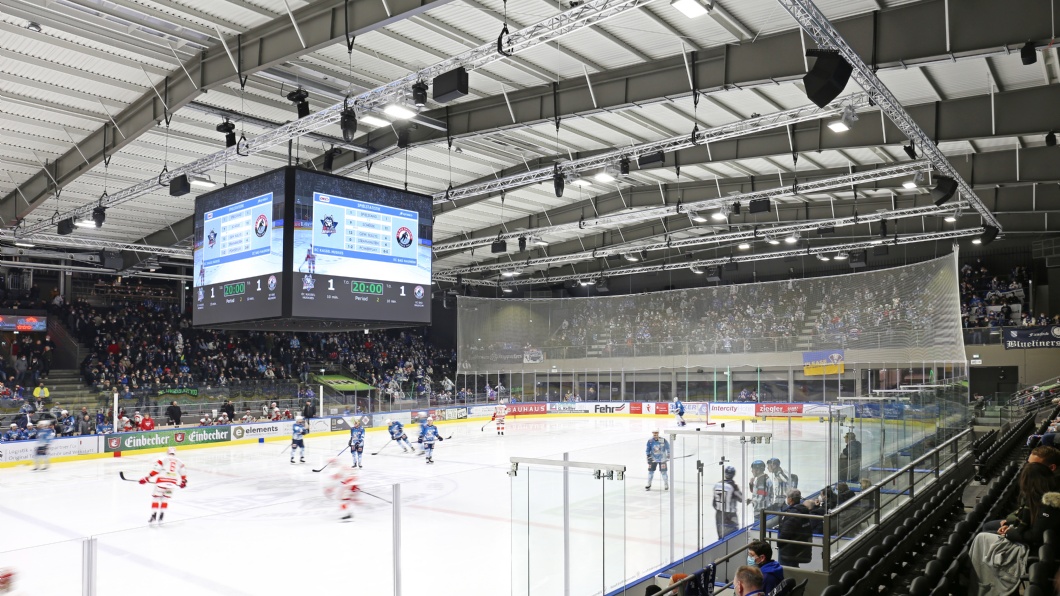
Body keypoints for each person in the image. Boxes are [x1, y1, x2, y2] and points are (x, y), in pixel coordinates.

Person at [967, 463, 1060, 595]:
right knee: (982, 538)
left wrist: (1010, 533)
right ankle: (976, 580)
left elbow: (1035, 535)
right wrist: (1010, 528)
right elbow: (1029, 525)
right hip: (1029, 544)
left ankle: (979, 584)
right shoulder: (1040, 499)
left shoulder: (1048, 505)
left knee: (981, 538)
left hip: (1031, 549)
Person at [139, 446, 187, 524]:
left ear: (168, 452)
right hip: (172, 484)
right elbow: (183, 474)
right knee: (165, 499)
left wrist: (146, 478)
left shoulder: (163, 459)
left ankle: (154, 514)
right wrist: (183, 482)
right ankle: (161, 515)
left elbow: (155, 471)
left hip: (161, 482)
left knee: (156, 498)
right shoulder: (180, 462)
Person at [777, 490, 813, 567]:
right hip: (797, 548)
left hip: (789, 550)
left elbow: (785, 533)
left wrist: (779, 543)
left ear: (790, 499)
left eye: (787, 497)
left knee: (787, 570)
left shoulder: (792, 514)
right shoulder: (803, 511)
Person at [713, 465, 744, 537]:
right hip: (730, 515)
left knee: (721, 536)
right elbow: (741, 498)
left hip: (719, 514)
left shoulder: (717, 484)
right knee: (734, 535)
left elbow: (714, 503)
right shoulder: (733, 486)